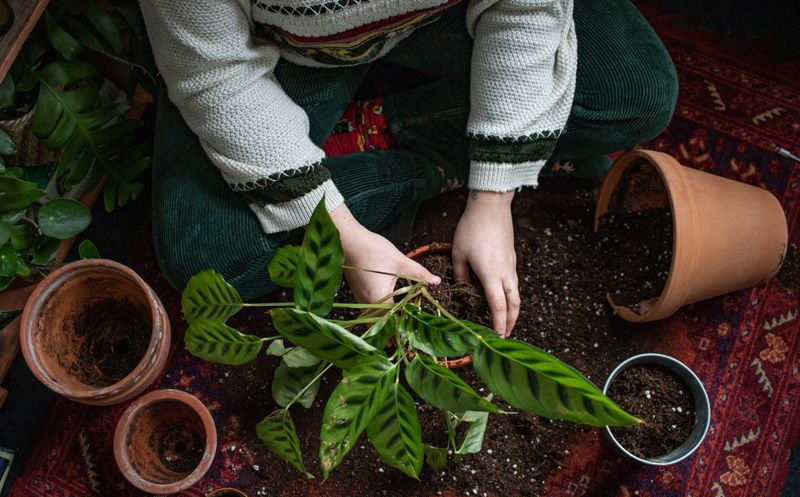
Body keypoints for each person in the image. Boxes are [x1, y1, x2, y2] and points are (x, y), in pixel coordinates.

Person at [141, 0, 677, 336]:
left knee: (637, 93)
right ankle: (431, 148)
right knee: (204, 252)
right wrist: (344, 236)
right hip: (289, 49)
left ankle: (386, 128)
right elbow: (215, 76)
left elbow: (528, 7)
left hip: (445, 17)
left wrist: (494, 196)